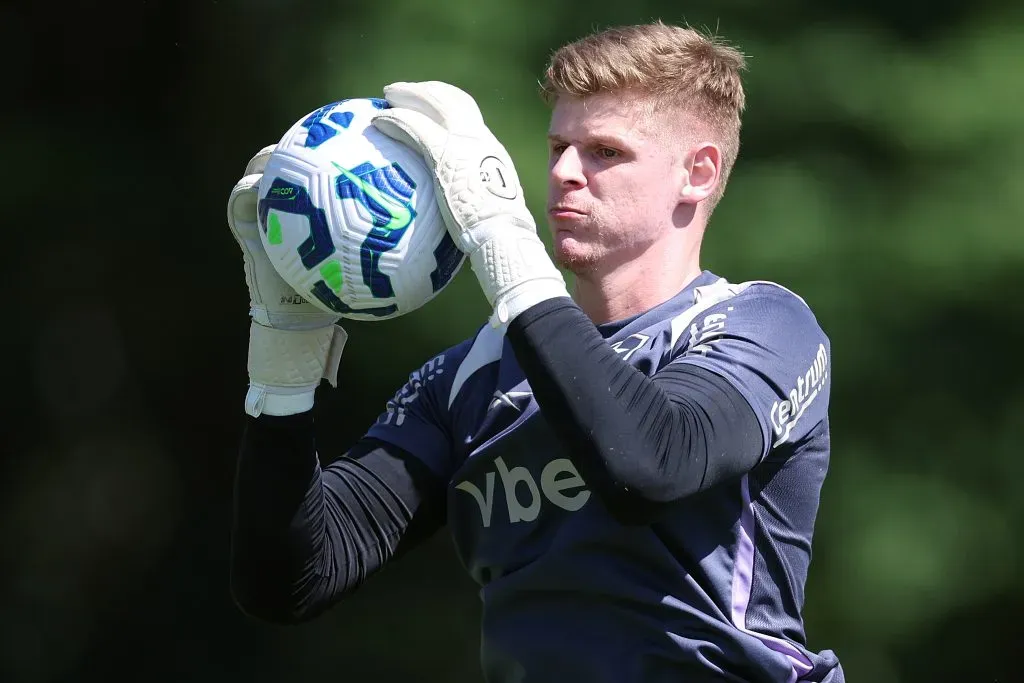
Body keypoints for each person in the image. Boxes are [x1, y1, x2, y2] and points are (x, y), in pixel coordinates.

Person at [228, 21, 844, 683]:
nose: (563, 173)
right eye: (557, 146)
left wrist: (500, 236)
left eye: (605, 151)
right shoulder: (469, 378)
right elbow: (292, 579)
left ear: (697, 173)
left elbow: (648, 464)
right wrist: (283, 360)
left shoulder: (761, 325)